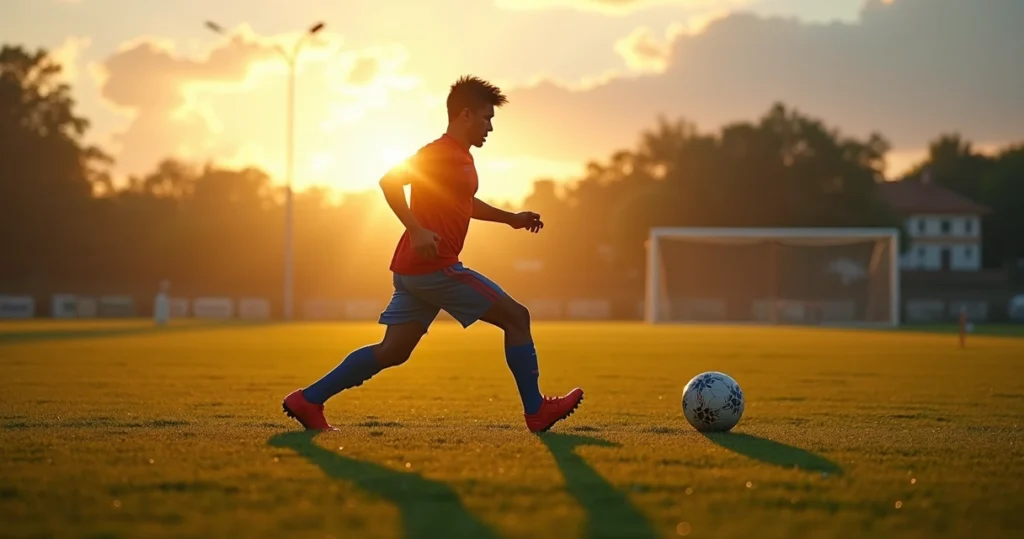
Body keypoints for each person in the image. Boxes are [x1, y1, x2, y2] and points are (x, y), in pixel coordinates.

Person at [282, 75, 584, 433]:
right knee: (517, 317)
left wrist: (510, 219)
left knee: (393, 351)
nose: (490, 127)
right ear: (466, 115)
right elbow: (390, 181)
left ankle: (308, 400)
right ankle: (536, 411)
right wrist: (415, 227)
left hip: (414, 269)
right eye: (487, 118)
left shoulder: (460, 159)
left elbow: (463, 203)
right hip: (434, 267)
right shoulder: (439, 153)